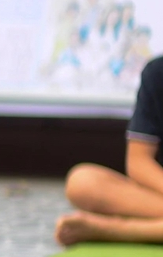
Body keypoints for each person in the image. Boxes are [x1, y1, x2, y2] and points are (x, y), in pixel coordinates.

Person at [58, 55, 163, 245]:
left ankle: (116, 230)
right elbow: (139, 161)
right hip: (159, 194)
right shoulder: (157, 72)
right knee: (82, 182)